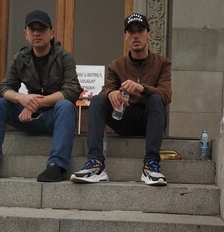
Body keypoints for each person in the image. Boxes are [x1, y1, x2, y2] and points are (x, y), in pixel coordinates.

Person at [0, 10, 82, 182]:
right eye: (32, 29)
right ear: (25, 33)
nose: (36, 33)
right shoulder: (20, 58)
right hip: (28, 117)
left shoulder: (64, 57)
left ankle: (57, 165)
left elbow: (72, 91)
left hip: (54, 117)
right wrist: (22, 99)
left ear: (51, 33)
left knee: (65, 106)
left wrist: (36, 103)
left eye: (42, 29)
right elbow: (4, 88)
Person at [70, 13, 172, 186]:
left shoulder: (162, 63)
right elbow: (106, 88)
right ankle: (95, 163)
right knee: (97, 101)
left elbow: (166, 94)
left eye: (140, 30)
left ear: (149, 34)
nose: (136, 35)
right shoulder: (116, 65)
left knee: (156, 99)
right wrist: (110, 93)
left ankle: (151, 165)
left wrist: (143, 88)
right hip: (124, 119)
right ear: (126, 36)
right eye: (131, 32)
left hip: (150, 120)